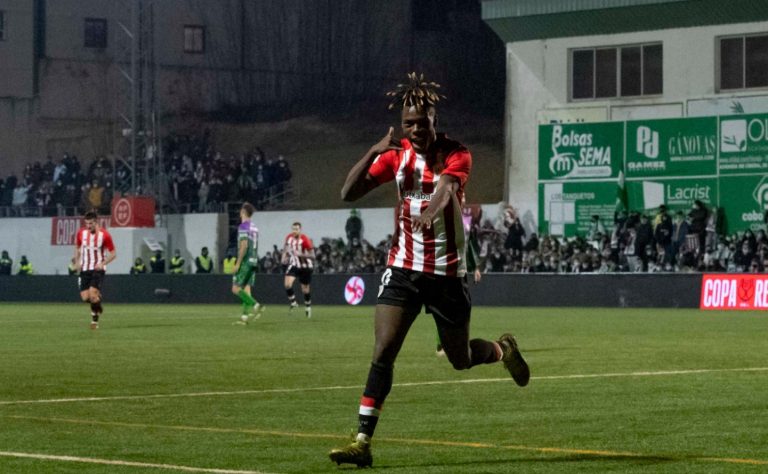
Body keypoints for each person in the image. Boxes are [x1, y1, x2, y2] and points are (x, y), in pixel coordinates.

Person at [330, 73, 529, 467]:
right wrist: (372, 152)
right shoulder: (395, 156)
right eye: (410, 124)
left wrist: (430, 214)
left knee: (460, 359)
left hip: (445, 272)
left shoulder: (457, 153)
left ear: (435, 119)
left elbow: (446, 189)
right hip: (403, 267)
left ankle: (502, 349)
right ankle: (362, 443)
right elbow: (347, 193)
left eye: (423, 122)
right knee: (383, 350)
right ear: (402, 125)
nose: (417, 129)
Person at [73, 210, 116, 329]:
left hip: (98, 269)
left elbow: (113, 253)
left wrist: (103, 263)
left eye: (91, 223)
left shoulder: (105, 235)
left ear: (96, 222)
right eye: (86, 223)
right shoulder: (81, 233)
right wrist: (77, 262)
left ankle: (94, 321)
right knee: (85, 298)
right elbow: (77, 247)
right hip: (85, 269)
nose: (88, 226)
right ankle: (98, 301)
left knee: (92, 295)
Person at [232, 202, 265, 324]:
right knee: (246, 289)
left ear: (243, 212)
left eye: (241, 210)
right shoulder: (254, 227)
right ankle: (244, 317)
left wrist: (238, 263)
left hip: (245, 261)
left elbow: (244, 246)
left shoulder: (243, 227)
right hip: (253, 261)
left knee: (235, 288)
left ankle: (256, 305)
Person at [281, 221, 315, 318]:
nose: (294, 231)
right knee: (287, 284)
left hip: (305, 266)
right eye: (293, 229)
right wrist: (284, 257)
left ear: (300, 230)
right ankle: (293, 302)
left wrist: (301, 254)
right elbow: (285, 248)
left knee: (305, 289)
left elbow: (313, 255)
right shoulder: (289, 237)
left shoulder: (305, 239)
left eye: (296, 229)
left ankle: (308, 306)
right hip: (294, 264)